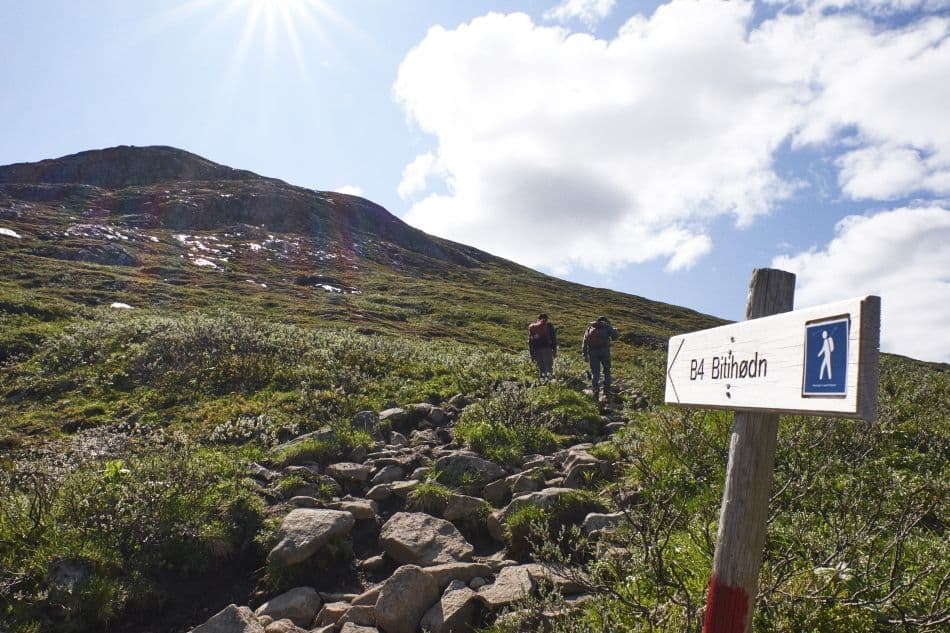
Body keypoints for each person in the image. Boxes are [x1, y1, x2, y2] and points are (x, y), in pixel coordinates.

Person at [582, 315, 619, 399]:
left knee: (595, 372)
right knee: (607, 371)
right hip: (604, 351)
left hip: (592, 352)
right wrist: (615, 330)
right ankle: (607, 391)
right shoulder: (607, 326)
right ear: (606, 321)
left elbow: (585, 342)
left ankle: (595, 390)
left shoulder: (590, 327)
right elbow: (615, 336)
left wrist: (584, 354)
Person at [528, 313, 558, 380]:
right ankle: (549, 380)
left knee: (540, 367)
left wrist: (531, 353)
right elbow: (553, 339)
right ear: (547, 319)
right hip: (547, 348)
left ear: (538, 319)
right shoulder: (549, 326)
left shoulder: (533, 326)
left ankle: (542, 380)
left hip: (536, 349)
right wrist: (554, 350)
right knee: (548, 366)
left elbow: (530, 340)